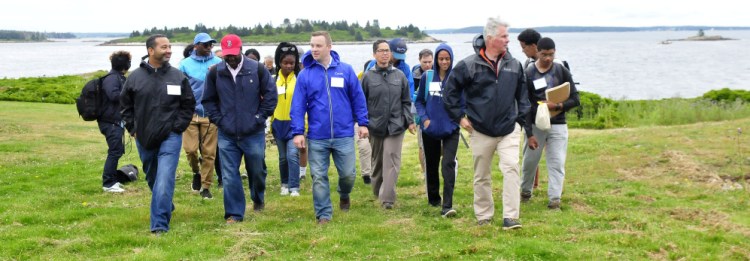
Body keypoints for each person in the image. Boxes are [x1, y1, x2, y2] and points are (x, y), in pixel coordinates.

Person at [443, 17, 530, 230]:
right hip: (480, 130)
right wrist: (460, 118)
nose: (508, 40)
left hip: (509, 129)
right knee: (481, 174)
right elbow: (450, 92)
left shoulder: (514, 65)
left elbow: (523, 96)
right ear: (490, 38)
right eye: (504, 36)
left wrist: (520, 122)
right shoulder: (468, 65)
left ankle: (511, 217)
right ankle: (484, 215)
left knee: (511, 167)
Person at [290, 31, 369, 225]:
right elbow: (298, 105)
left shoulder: (346, 70)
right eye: (312, 46)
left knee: (348, 174)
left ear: (329, 47)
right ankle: (324, 214)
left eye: (318, 46)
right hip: (318, 136)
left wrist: (363, 123)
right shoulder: (305, 75)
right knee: (318, 176)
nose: (314, 49)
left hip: (343, 134)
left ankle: (344, 194)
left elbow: (358, 99)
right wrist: (298, 131)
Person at [120, 34, 196, 235]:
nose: (169, 50)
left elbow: (188, 104)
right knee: (153, 177)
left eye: (170, 46)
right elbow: (125, 106)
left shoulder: (177, 76)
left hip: (170, 136)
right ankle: (165, 204)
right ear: (150, 51)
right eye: (164, 47)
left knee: (164, 178)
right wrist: (132, 128)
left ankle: (159, 225)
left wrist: (177, 127)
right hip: (144, 137)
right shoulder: (135, 77)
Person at [203, 34, 277, 223]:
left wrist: (259, 118)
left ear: (241, 49)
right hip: (227, 134)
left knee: (257, 171)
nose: (231, 58)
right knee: (229, 175)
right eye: (227, 55)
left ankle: (258, 197)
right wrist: (219, 120)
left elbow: (270, 96)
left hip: (253, 132)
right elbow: (208, 101)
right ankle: (234, 213)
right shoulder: (215, 73)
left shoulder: (258, 69)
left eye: (234, 54)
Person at [520, 37, 580, 210]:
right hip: (536, 124)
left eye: (551, 54)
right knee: (530, 160)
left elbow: (575, 98)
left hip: (558, 122)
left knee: (557, 161)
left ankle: (555, 199)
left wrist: (558, 105)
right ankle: (525, 191)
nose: (548, 58)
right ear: (537, 52)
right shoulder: (529, 73)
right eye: (544, 54)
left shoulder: (561, 70)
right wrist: (529, 133)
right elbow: (525, 105)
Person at [361, 39, 415, 209]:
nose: (385, 53)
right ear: (374, 54)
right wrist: (363, 123)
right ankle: (378, 191)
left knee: (391, 160)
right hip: (375, 126)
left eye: (387, 50)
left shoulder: (400, 76)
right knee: (377, 163)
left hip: (396, 126)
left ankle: (388, 199)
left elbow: (407, 101)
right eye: (381, 50)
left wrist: (408, 121)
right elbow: (361, 102)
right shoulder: (368, 77)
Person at [415, 43, 460, 217]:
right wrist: (425, 120)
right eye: (441, 59)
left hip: (451, 128)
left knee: (448, 163)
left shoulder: (456, 77)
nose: (444, 62)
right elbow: (419, 101)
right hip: (430, 128)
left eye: (447, 58)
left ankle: (447, 205)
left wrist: (458, 119)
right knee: (431, 164)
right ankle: (434, 198)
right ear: (435, 59)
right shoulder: (428, 77)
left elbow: (462, 101)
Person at [179, 33, 223, 199]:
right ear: (196, 45)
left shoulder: (219, 63)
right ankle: (196, 173)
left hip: (210, 115)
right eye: (205, 45)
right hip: (190, 114)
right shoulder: (184, 65)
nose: (209, 47)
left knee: (209, 153)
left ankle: (206, 187)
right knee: (190, 150)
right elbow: (178, 89)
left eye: (211, 44)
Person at [270, 42, 303, 197]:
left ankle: (294, 186)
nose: (289, 66)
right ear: (279, 63)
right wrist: (270, 122)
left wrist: (304, 126)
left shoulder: (299, 79)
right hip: (278, 124)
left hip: (294, 124)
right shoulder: (272, 80)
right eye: (285, 63)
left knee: (292, 155)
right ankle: (284, 183)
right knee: (283, 158)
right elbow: (269, 102)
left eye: (292, 63)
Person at [99, 50, 131, 193]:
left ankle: (113, 180)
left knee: (117, 151)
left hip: (115, 121)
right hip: (110, 122)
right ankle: (108, 183)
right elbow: (113, 96)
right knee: (114, 151)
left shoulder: (118, 77)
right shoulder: (112, 78)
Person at [411, 48, 433, 181]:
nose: (427, 65)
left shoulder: (436, 73)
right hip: (420, 116)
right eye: (425, 62)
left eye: (430, 62)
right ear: (419, 61)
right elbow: (412, 97)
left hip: (436, 115)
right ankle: (425, 172)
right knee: (421, 146)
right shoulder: (414, 76)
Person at [356, 60, 373, 185]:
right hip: (360, 118)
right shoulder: (358, 80)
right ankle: (366, 174)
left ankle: (377, 172)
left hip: (376, 118)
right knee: (364, 146)